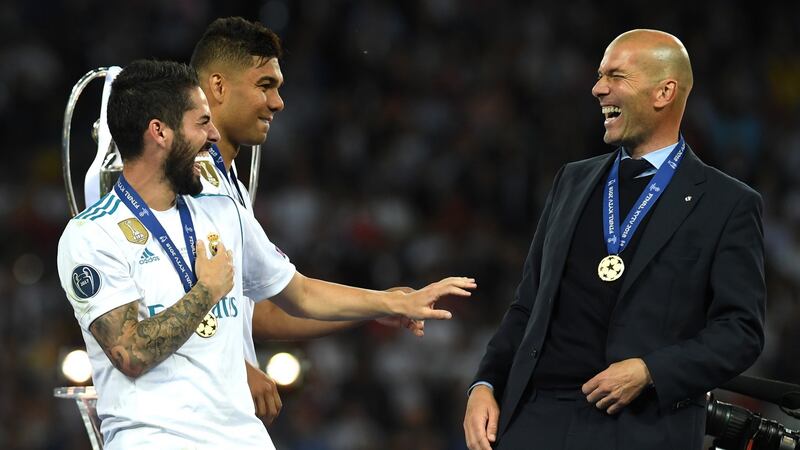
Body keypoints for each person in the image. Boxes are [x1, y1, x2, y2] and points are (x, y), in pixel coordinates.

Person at [57, 59, 476, 449]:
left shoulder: (221, 210)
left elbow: (299, 293)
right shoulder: (92, 235)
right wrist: (207, 291)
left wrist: (387, 302)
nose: (214, 135)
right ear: (160, 132)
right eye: (202, 123)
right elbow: (130, 354)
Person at [463, 29, 765, 450]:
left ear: (664, 92)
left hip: (641, 427)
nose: (597, 88)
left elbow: (740, 332)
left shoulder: (727, 203)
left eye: (615, 76)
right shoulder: (573, 180)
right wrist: (484, 383)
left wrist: (650, 370)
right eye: (599, 75)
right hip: (536, 420)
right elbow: (527, 304)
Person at [188, 16, 424, 424]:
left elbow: (262, 310)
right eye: (265, 86)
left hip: (224, 417)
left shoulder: (229, 187)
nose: (278, 102)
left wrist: (374, 306)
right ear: (218, 87)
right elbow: (154, 299)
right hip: (187, 417)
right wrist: (235, 367)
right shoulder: (182, 180)